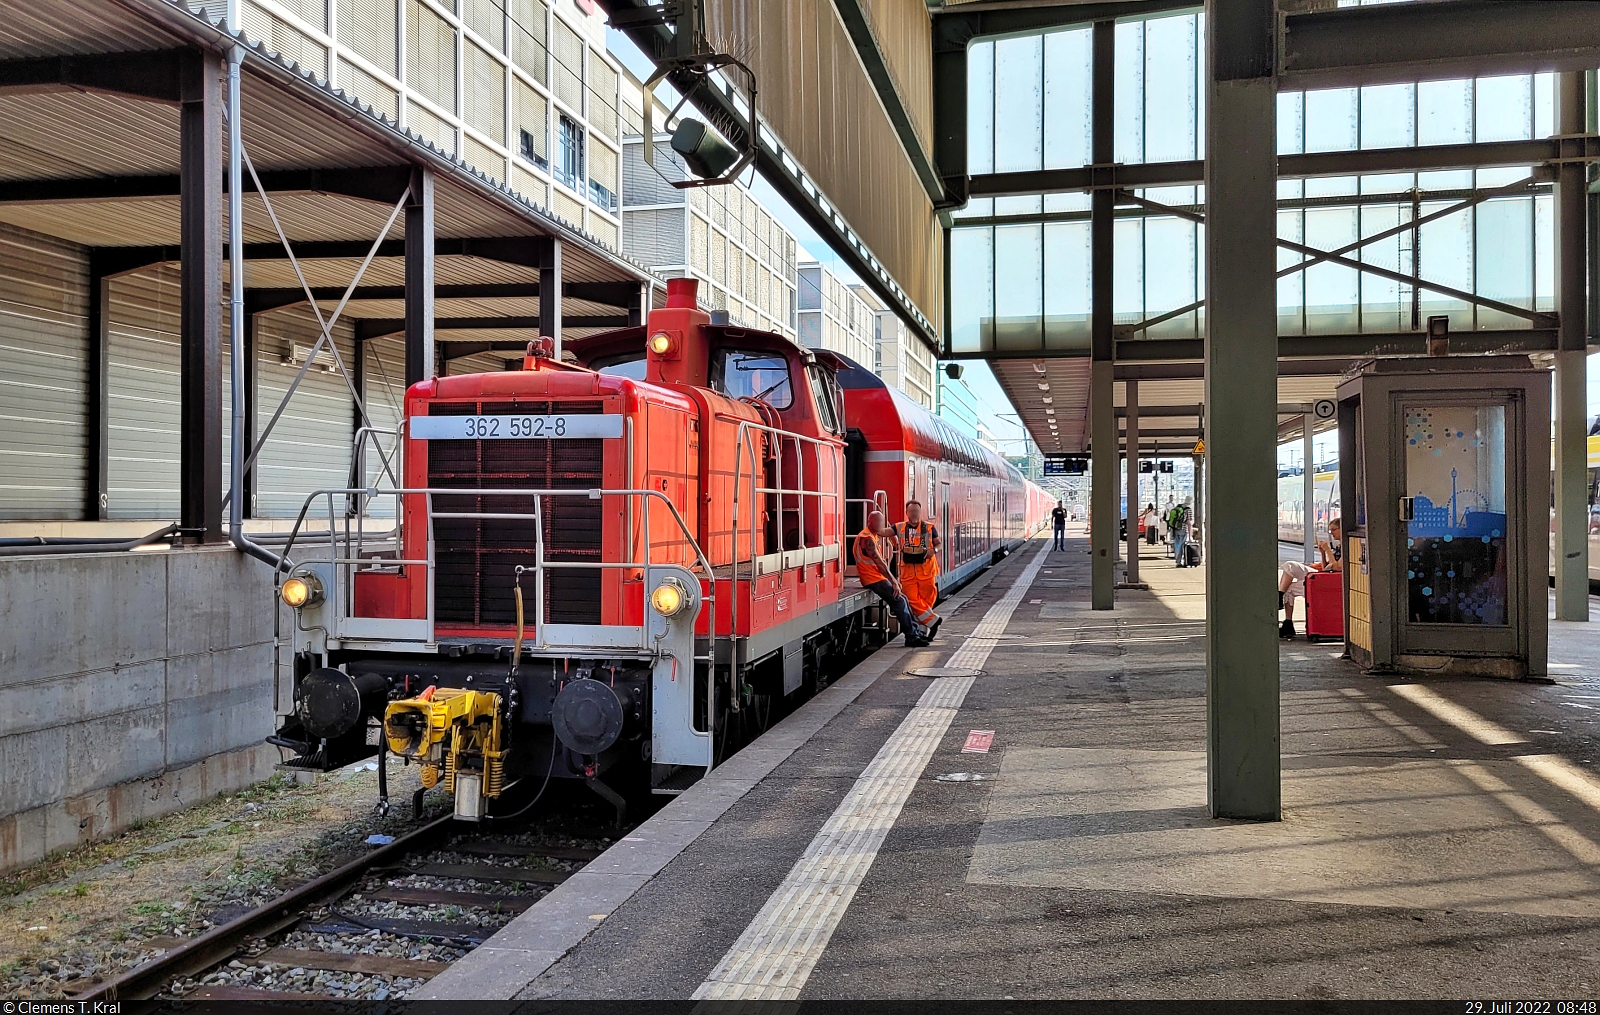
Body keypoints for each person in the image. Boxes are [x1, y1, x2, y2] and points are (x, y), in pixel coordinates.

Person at [856, 510, 928, 647]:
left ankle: (915, 633)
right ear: (869, 522)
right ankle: (911, 637)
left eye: (881, 521)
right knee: (899, 600)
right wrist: (894, 581)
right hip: (872, 579)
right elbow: (880, 564)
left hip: (876, 577)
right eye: (876, 521)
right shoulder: (867, 538)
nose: (880, 524)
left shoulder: (872, 535)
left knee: (903, 598)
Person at [1279, 517, 1342, 638]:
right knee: (1289, 584)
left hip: (1330, 581)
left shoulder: (1347, 545)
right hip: (1325, 576)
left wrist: (1328, 550)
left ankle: (1279, 597)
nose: (1331, 533)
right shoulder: (1339, 546)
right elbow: (1326, 568)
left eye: (1333, 530)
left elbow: (1337, 567)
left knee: (1290, 567)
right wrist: (1323, 553)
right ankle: (1287, 623)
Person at [894, 499, 943, 640]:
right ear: (907, 512)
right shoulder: (900, 527)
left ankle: (922, 633)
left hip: (927, 572)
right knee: (912, 600)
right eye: (912, 511)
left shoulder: (929, 527)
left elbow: (939, 544)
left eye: (917, 511)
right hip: (908, 574)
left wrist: (934, 550)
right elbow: (884, 532)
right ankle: (934, 621)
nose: (914, 513)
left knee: (926, 604)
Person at [1172, 501, 1192, 567]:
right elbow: (1189, 523)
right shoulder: (1188, 509)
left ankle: (1178, 561)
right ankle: (1182, 561)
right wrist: (1190, 536)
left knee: (1177, 545)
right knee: (1182, 545)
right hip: (1183, 529)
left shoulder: (1179, 507)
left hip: (1176, 529)